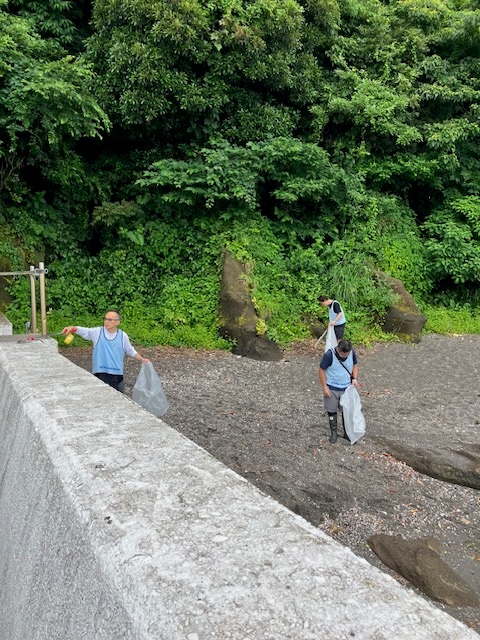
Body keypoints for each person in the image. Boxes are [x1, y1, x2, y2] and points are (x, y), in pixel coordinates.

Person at [62, 309, 150, 393]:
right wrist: (72, 328)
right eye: (105, 319)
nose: (106, 321)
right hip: (100, 373)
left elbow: (130, 350)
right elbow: (85, 331)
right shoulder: (97, 332)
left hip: (116, 374)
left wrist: (141, 359)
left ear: (117, 322)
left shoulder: (123, 336)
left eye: (110, 320)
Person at [318, 339, 358, 444]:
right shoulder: (329, 355)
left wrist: (354, 378)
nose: (344, 356)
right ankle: (334, 433)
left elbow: (355, 365)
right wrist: (325, 386)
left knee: (346, 412)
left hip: (346, 388)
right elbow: (321, 370)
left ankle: (347, 432)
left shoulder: (352, 353)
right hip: (332, 387)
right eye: (342, 354)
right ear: (338, 349)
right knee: (331, 411)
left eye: (346, 354)